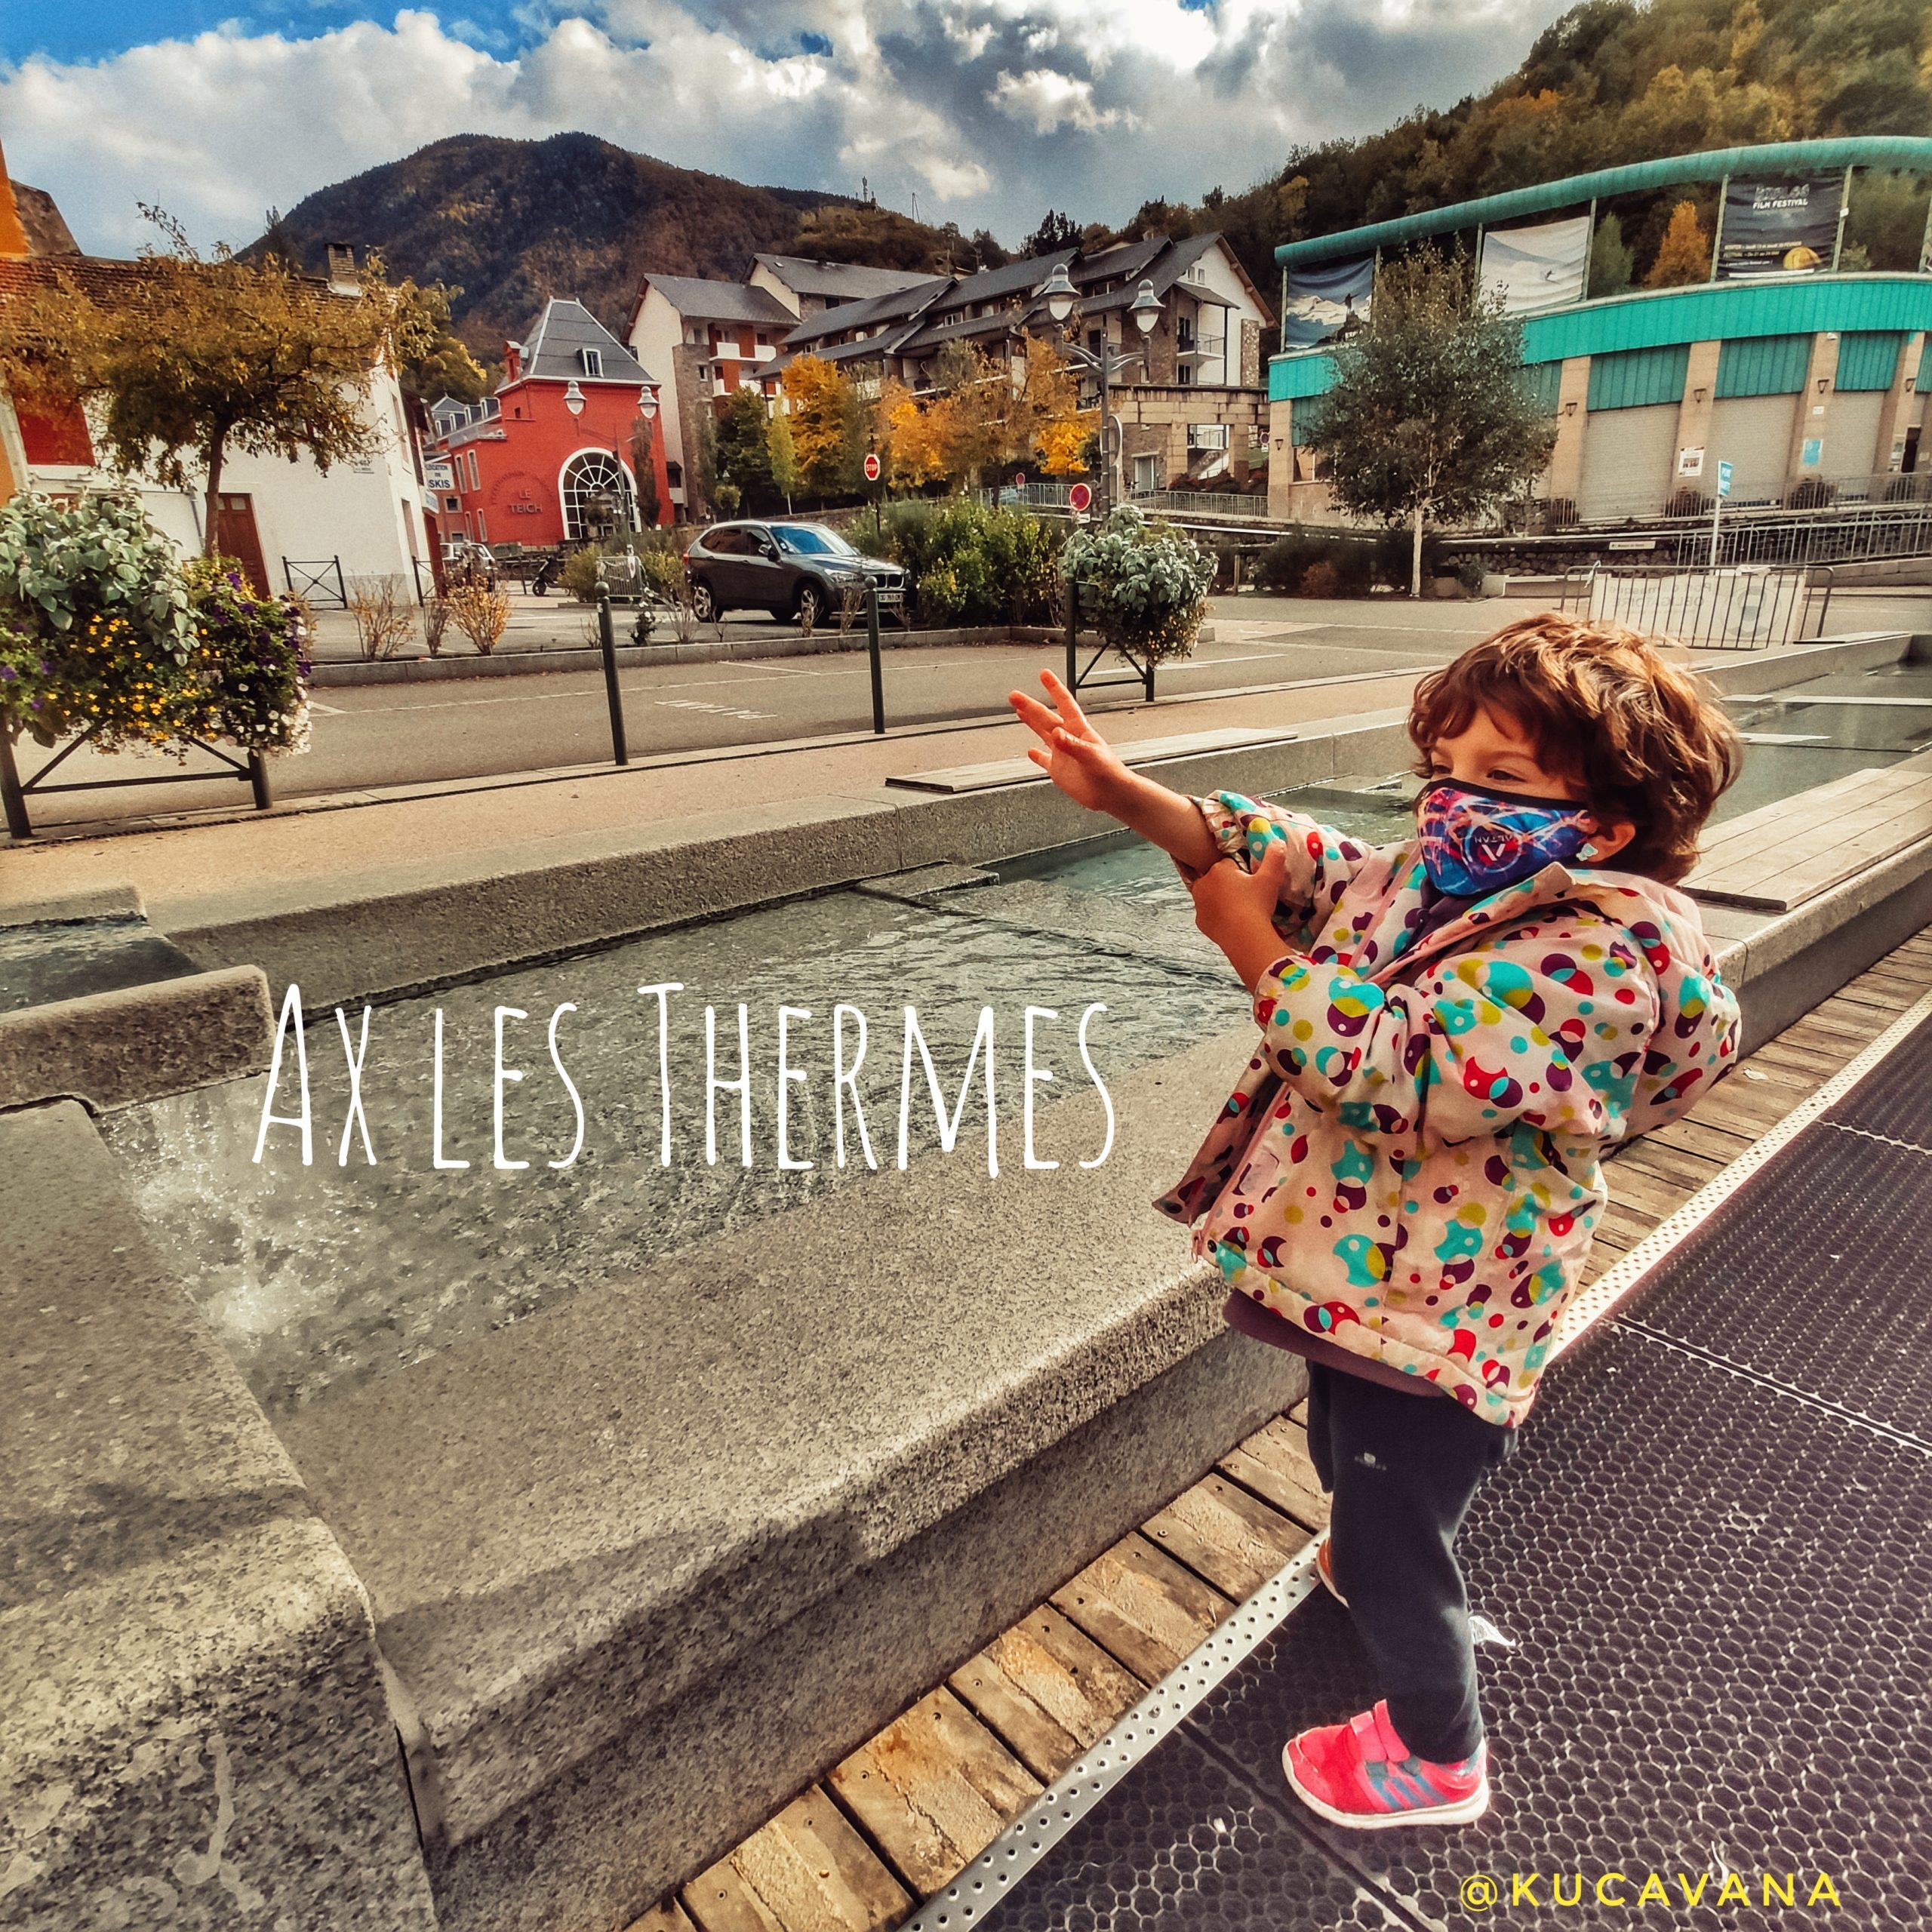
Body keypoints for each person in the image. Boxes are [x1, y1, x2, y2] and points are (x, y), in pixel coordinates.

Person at [1007, 614, 1742, 1829]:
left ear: (1606, 827)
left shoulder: (1593, 957)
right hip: (1379, 1282)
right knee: (1348, 1440)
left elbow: (1396, 1067)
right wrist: (1138, 803)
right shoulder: (1452, 881)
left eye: (1501, 779)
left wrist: (1248, 946)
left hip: (1449, 1302)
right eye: (1443, 771)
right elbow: (1307, 864)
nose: (1452, 802)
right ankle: (1369, 1549)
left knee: (1405, 1529)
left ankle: (1437, 1756)